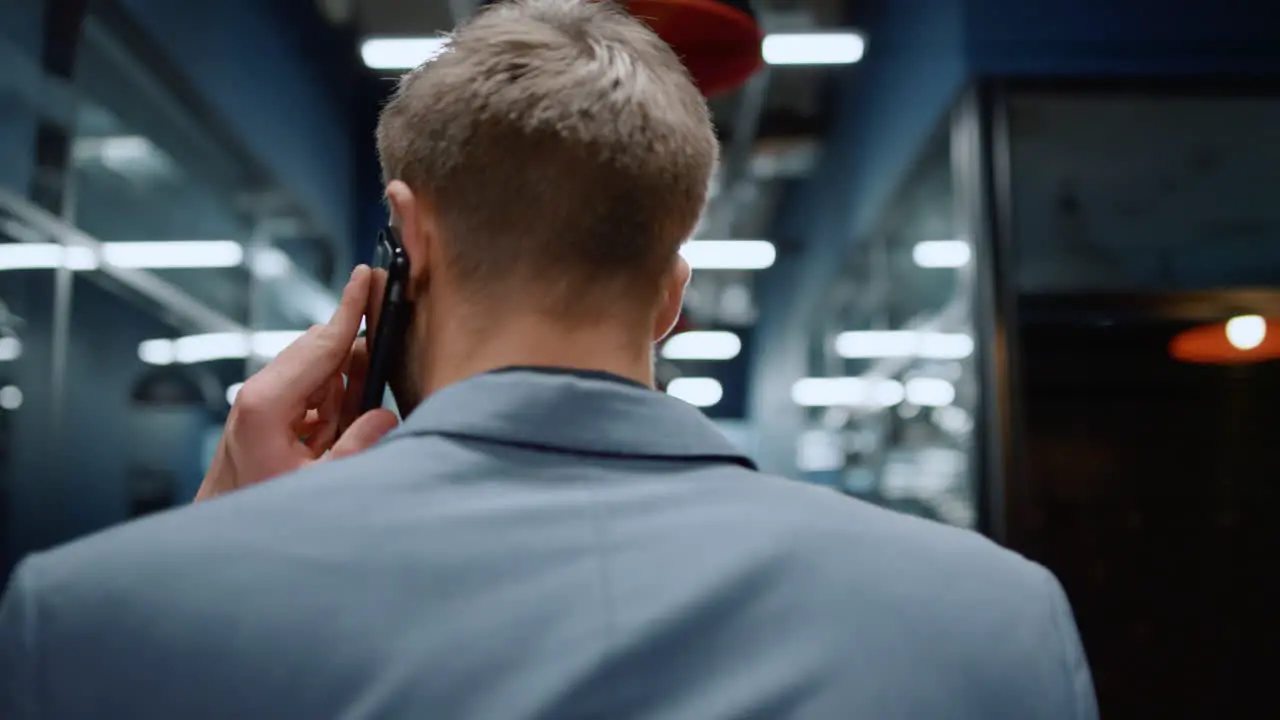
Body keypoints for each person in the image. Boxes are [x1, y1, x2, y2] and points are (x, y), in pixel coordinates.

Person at [0, 0, 1098, 717]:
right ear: (672, 294)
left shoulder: (94, 616)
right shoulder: (995, 620)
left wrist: (215, 565)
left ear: (408, 239)